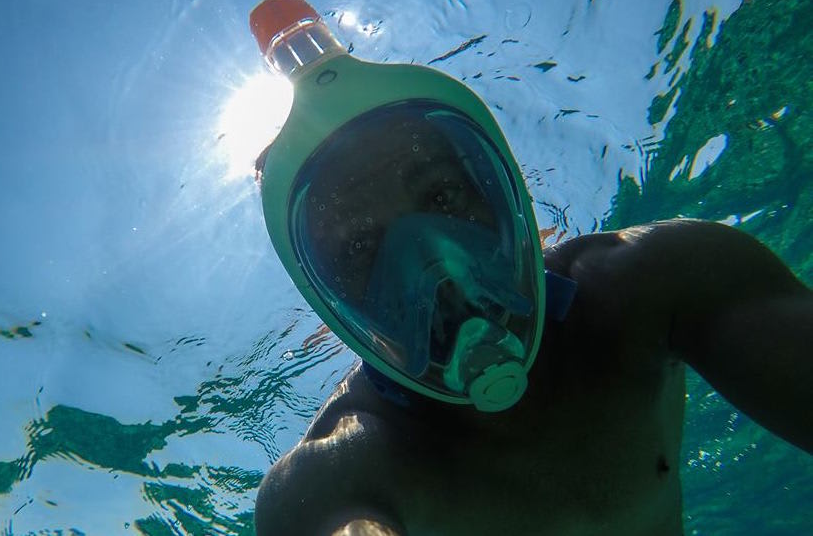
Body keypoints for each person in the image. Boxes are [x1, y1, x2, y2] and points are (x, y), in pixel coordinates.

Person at [248, 84, 812, 536]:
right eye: (360, 248)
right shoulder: (338, 469)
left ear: (506, 200)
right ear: (334, 301)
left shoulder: (653, 284)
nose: (434, 267)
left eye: (442, 198)